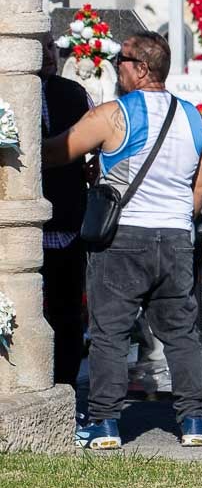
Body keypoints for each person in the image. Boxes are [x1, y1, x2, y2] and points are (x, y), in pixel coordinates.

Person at [44, 32, 202, 450]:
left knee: (109, 333)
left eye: (122, 60)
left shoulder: (114, 113)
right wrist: (176, 217)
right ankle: (193, 421)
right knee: (181, 333)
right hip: (175, 237)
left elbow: (57, 151)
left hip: (122, 238)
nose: (116, 66)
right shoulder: (192, 117)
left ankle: (104, 424)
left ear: (140, 68)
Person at [38, 34, 92, 390]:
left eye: (51, 46)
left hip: (69, 221)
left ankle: (67, 385)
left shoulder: (73, 93)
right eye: (40, 47)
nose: (49, 54)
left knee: (68, 313)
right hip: (26, 225)